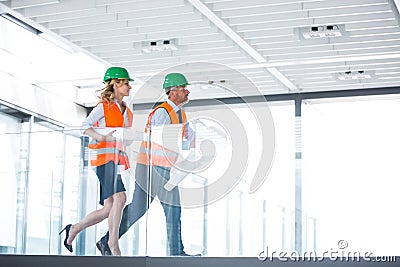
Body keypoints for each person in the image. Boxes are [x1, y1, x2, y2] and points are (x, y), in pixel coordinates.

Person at [96, 72, 199, 256]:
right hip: (151, 168)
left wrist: (192, 141)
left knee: (143, 208)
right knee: (152, 208)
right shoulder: (162, 112)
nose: (187, 92)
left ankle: (106, 241)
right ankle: (175, 253)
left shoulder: (181, 114)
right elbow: (156, 140)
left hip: (163, 168)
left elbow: (186, 139)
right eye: (184, 89)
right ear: (173, 92)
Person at [59, 66, 134, 256]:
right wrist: (102, 137)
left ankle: (74, 229)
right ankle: (112, 244)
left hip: (115, 160)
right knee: (121, 198)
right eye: (125, 83)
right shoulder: (103, 106)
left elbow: (123, 136)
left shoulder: (126, 110)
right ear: (115, 84)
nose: (129, 87)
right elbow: (84, 127)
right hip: (102, 159)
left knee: (109, 207)